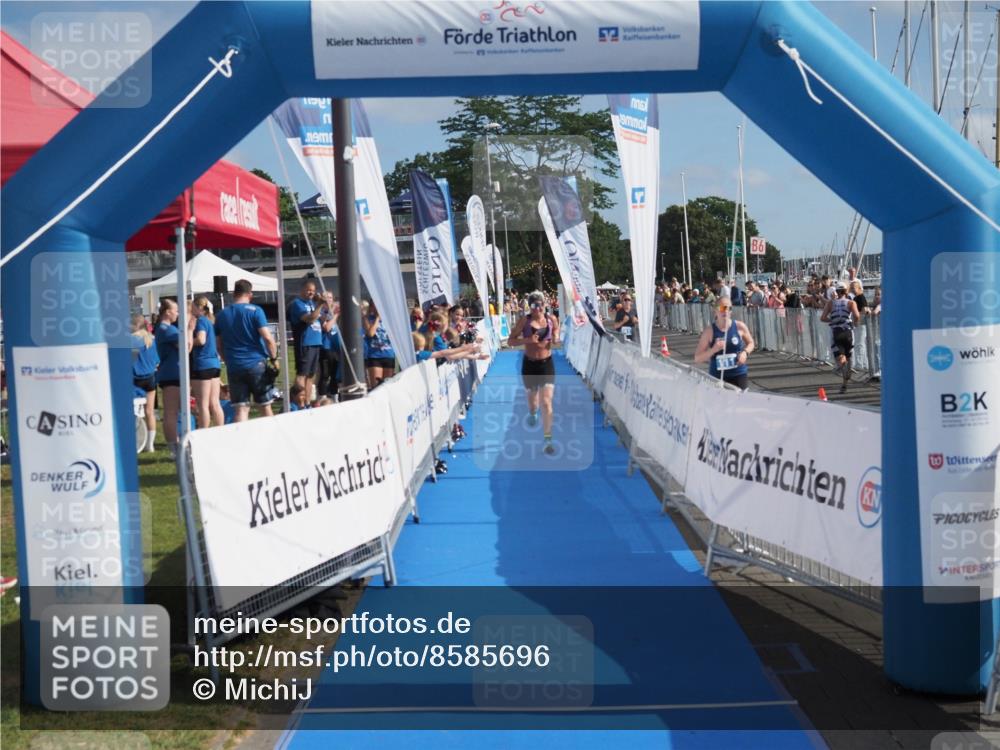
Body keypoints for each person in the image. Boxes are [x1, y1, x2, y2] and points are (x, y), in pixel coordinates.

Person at [214, 279, 279, 422]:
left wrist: (228, 360)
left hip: (234, 366)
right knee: (265, 406)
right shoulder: (256, 311)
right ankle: (272, 438)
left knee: (241, 409)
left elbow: (219, 345)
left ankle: (241, 441)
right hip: (256, 364)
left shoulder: (221, 315)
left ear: (234, 293)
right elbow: (268, 338)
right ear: (250, 294)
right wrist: (274, 358)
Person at [507, 291, 560, 456]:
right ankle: (531, 412)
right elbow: (510, 341)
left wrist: (556, 338)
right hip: (529, 365)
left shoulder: (551, 319)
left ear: (545, 305)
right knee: (533, 403)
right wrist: (527, 341)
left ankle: (548, 439)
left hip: (547, 365)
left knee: (546, 402)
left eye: (540, 305)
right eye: (534, 306)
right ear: (529, 307)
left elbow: (557, 331)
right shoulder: (525, 321)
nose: (537, 309)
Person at [694, 296, 756, 391]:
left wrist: (745, 353)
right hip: (717, 377)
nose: (725, 311)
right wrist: (713, 349)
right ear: (715, 310)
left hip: (739, 375)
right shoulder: (709, 331)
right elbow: (697, 358)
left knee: (740, 404)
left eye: (729, 308)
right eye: (722, 308)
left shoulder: (740, 326)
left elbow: (751, 343)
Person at [188, 296, 225, 428]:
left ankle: (203, 432)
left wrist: (190, 338)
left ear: (199, 308)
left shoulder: (201, 321)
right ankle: (221, 430)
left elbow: (201, 340)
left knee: (203, 404)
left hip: (203, 365)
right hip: (214, 364)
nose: (191, 310)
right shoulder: (211, 321)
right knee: (215, 402)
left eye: (192, 307)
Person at [821, 281, 861, 393]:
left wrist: (832, 320)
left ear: (837, 292)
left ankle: (844, 370)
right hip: (848, 332)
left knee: (840, 358)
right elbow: (857, 315)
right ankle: (845, 383)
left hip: (836, 332)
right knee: (847, 357)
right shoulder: (851, 303)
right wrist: (855, 323)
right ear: (846, 291)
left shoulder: (830, 303)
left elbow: (822, 318)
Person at [288, 281, 325, 398]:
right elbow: (309, 319)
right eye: (309, 290)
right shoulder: (297, 304)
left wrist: (321, 304)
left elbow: (322, 318)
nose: (311, 293)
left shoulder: (313, 303)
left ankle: (307, 402)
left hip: (316, 342)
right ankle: (297, 401)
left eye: (313, 291)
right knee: (302, 374)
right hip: (305, 343)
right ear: (302, 290)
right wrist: (319, 305)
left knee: (311, 375)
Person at [154, 299, 182, 455]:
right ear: (167, 312)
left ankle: (177, 443)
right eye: (176, 310)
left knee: (175, 411)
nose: (178, 313)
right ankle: (173, 447)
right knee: (171, 412)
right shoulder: (168, 330)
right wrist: (190, 330)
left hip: (172, 372)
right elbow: (187, 346)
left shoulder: (164, 328)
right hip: (171, 374)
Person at [130, 313, 159, 452]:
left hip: (135, 379)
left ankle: (136, 441)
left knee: (132, 411)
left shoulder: (131, 340)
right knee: (150, 412)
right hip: (151, 379)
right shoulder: (151, 339)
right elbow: (156, 360)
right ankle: (150, 445)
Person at [363, 301, 396, 389]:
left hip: (388, 354)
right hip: (374, 355)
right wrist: (377, 318)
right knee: (377, 387)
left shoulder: (389, 320)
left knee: (387, 386)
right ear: (372, 307)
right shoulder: (367, 318)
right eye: (375, 306)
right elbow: (370, 333)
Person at [317, 291, 341, 400]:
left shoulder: (334, 309)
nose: (329, 300)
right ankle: (321, 398)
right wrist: (336, 315)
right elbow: (326, 327)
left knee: (335, 374)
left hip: (336, 346)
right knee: (325, 374)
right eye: (326, 297)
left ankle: (334, 398)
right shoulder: (321, 311)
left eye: (330, 297)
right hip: (325, 346)